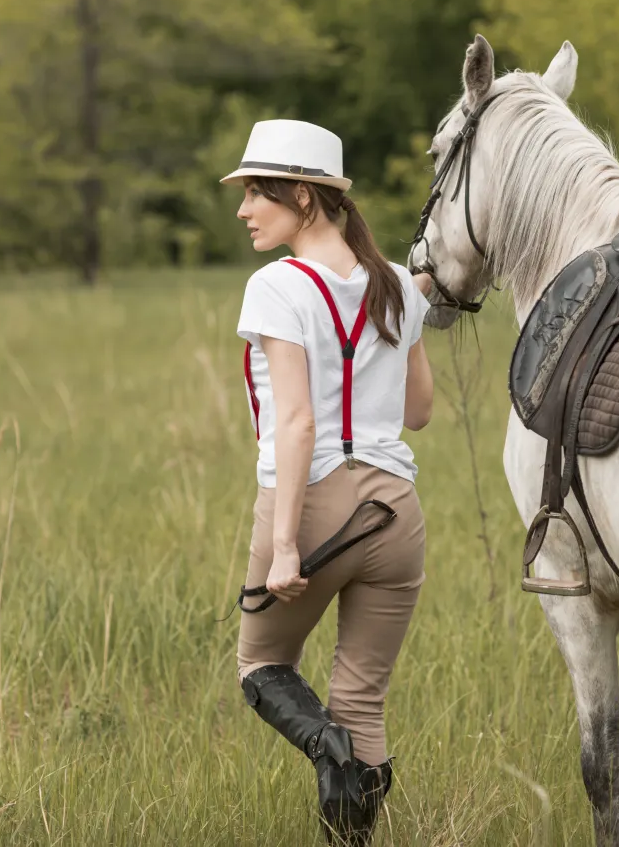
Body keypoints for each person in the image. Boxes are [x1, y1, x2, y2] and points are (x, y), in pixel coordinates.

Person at [221, 119, 434, 845]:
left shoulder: (275, 286)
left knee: (261, 664)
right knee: (361, 700)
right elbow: (419, 411)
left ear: (305, 197)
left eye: (257, 193)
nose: (244, 209)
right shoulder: (398, 285)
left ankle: (324, 745)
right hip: (395, 510)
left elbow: (298, 424)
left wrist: (285, 545)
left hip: (314, 506)